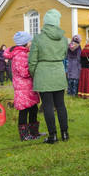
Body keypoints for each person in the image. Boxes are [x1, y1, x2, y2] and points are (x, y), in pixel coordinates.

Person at [29, 8, 69, 143]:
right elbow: (64, 56)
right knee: (61, 105)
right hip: (58, 71)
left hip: (43, 72)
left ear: (45, 22)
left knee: (47, 106)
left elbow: (32, 60)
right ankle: (65, 134)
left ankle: (53, 136)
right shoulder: (64, 39)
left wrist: (34, 74)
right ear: (57, 22)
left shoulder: (38, 38)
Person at [7, 31, 40, 140]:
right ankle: (24, 135)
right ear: (25, 43)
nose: (31, 43)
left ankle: (34, 132)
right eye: (30, 41)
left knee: (33, 109)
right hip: (23, 87)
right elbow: (24, 72)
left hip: (27, 87)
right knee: (24, 111)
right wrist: (34, 69)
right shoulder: (20, 55)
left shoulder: (23, 53)